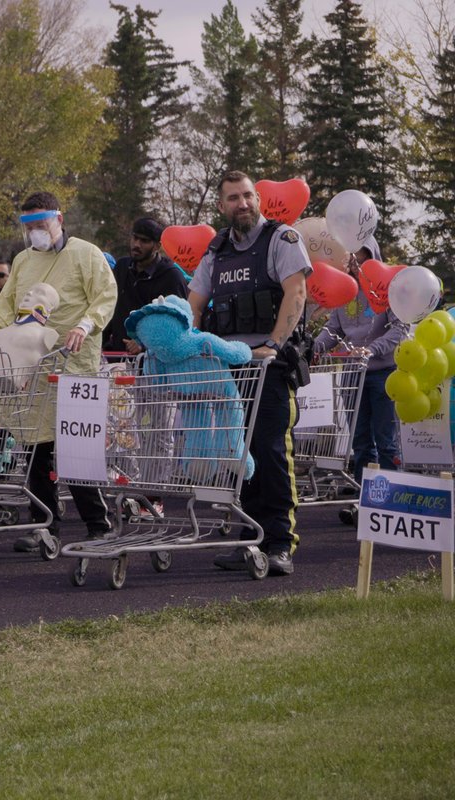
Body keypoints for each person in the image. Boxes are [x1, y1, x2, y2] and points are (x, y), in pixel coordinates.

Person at [0, 192, 118, 550]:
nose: (36, 231)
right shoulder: (22, 260)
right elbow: (6, 306)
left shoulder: (85, 254)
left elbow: (105, 296)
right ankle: (44, 524)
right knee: (35, 448)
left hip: (73, 363)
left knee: (75, 446)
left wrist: (85, 325)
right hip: (32, 367)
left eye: (41, 223)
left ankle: (98, 523)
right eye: (29, 226)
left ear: (59, 219)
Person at [188, 170, 310, 576]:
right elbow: (195, 303)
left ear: (258, 198)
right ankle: (250, 538)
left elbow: (296, 292)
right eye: (233, 198)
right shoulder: (217, 250)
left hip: (269, 367)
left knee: (271, 453)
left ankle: (279, 543)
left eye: (247, 196)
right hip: (230, 367)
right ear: (221, 206)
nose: (242, 204)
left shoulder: (281, 239)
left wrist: (272, 346)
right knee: (241, 457)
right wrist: (189, 346)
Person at [312, 237, 404, 482]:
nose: (353, 260)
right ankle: (365, 493)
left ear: (370, 254)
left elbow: (399, 328)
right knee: (360, 441)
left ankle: (391, 490)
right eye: (348, 255)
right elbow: (334, 329)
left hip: (383, 373)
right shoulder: (343, 289)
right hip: (353, 375)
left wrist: (372, 350)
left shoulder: (386, 289)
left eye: (358, 254)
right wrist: (313, 348)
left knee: (386, 441)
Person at [102, 217, 188, 354]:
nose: (137, 244)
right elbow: (109, 307)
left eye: (144, 241)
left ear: (157, 246)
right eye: (135, 238)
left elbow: (180, 324)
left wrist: (144, 345)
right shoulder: (122, 267)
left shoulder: (172, 276)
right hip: (116, 359)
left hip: (155, 362)